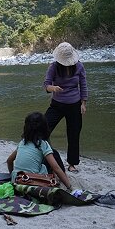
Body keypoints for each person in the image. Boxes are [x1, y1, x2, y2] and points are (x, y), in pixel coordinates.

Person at [43, 42, 88, 173]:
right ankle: (47, 156)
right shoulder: (53, 67)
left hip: (75, 104)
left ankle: (72, 163)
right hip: (57, 104)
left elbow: (83, 85)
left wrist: (83, 103)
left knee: (74, 134)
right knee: (43, 128)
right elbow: (46, 84)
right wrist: (53, 88)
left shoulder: (79, 66)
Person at [6, 111, 72, 190]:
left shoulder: (22, 142)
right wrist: (70, 187)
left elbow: (9, 160)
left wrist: (12, 176)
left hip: (18, 180)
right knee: (54, 154)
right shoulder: (43, 144)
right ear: (44, 128)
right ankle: (62, 179)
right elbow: (56, 168)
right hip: (34, 182)